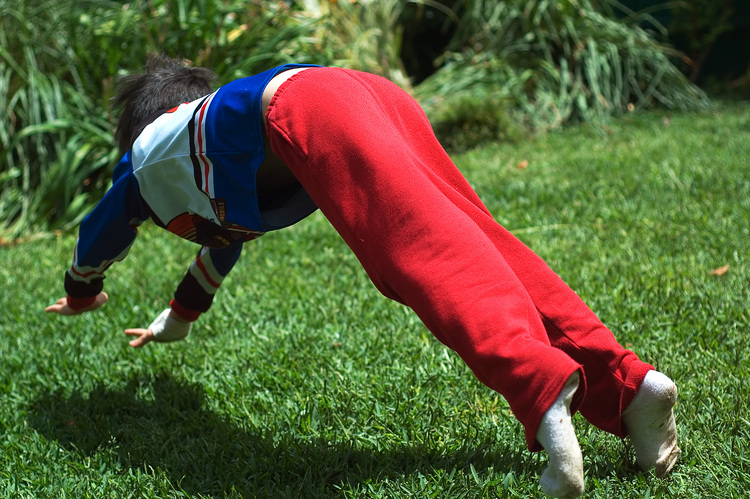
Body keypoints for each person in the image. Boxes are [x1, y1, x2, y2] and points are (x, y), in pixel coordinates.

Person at [46, 55, 679, 497]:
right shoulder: (206, 150)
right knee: (476, 240)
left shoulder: (143, 159)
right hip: (365, 92)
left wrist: (83, 289)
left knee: (422, 256)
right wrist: (179, 318)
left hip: (312, 107)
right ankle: (630, 387)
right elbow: (225, 244)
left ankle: (544, 398)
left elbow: (99, 231)